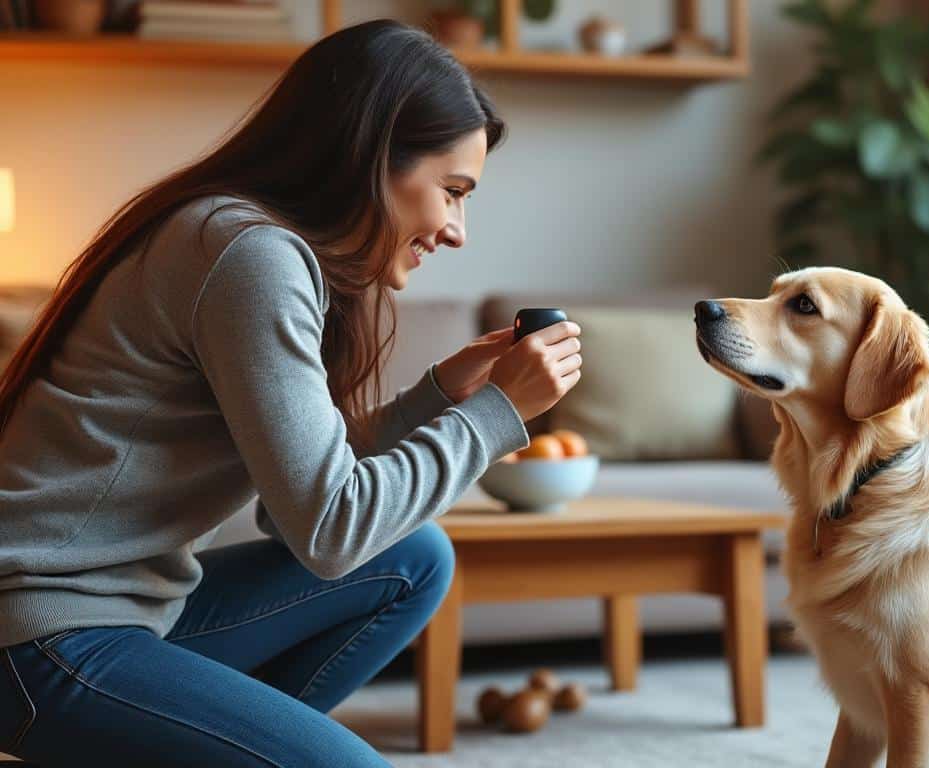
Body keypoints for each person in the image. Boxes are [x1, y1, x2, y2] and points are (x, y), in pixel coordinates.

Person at [0, 20, 581, 766]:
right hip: (41, 637)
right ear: (372, 160)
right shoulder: (248, 254)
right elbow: (330, 531)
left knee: (415, 557)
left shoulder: (251, 241)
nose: (457, 229)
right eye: (452, 190)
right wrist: (495, 415)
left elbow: (293, 509)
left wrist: (441, 395)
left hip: (131, 610)